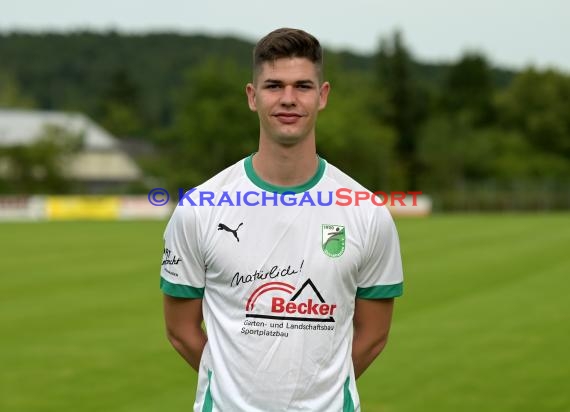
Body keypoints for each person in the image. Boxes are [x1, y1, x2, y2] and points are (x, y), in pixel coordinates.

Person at [160, 27, 404, 412]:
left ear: (322, 96)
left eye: (303, 86)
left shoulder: (367, 212)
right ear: (252, 97)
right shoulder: (200, 208)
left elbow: (373, 336)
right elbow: (180, 331)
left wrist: (314, 397)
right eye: (274, 86)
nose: (288, 99)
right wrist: (233, 386)